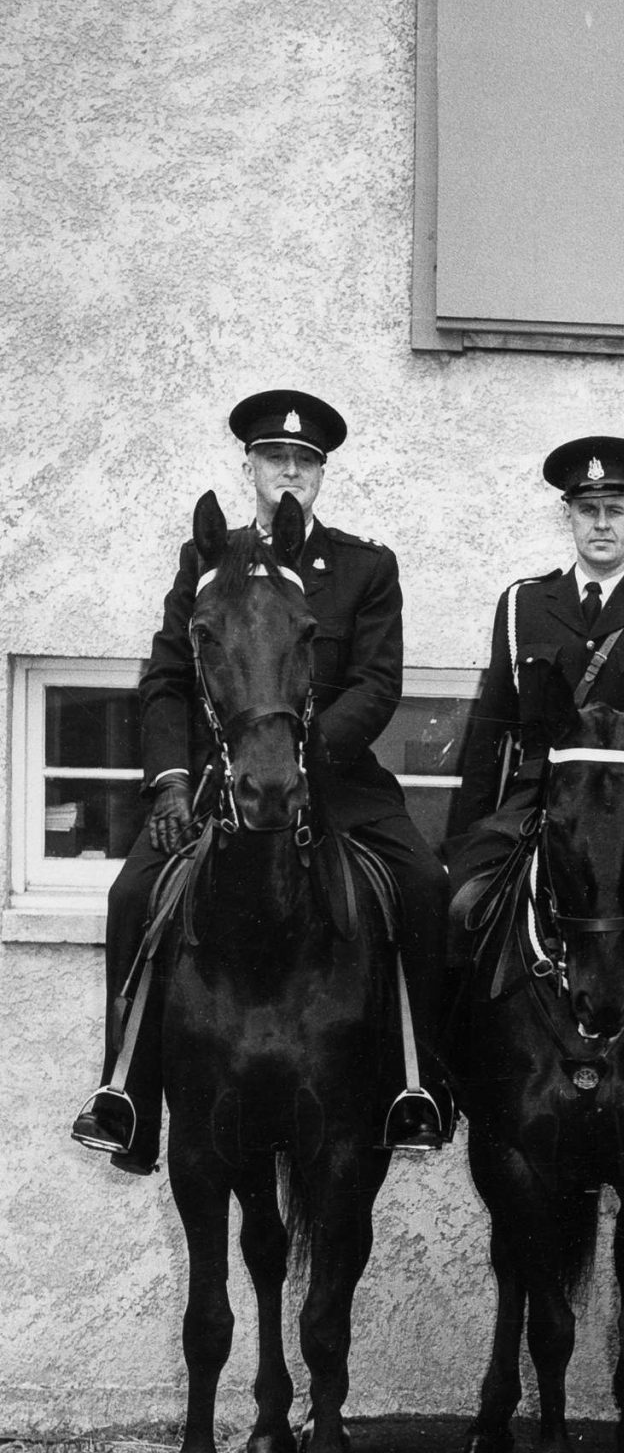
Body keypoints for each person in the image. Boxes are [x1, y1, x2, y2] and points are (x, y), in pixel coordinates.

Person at [73, 390, 450, 1170]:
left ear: (321, 473)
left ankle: (420, 1084)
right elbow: (169, 678)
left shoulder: (364, 567)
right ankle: (127, 1095)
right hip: (221, 783)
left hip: (337, 779)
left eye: (304, 460)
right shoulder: (208, 562)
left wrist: (309, 755)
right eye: (275, 457)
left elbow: (376, 684)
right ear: (249, 465)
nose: (289, 470)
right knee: (131, 894)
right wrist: (173, 782)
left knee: (421, 883)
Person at [444, 437, 624, 1169]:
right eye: (587, 510)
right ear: (567, 517)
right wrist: (463, 837)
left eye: (615, 509)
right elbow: (494, 724)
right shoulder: (522, 606)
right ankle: (446, 1083)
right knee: (456, 912)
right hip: (536, 808)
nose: (601, 523)